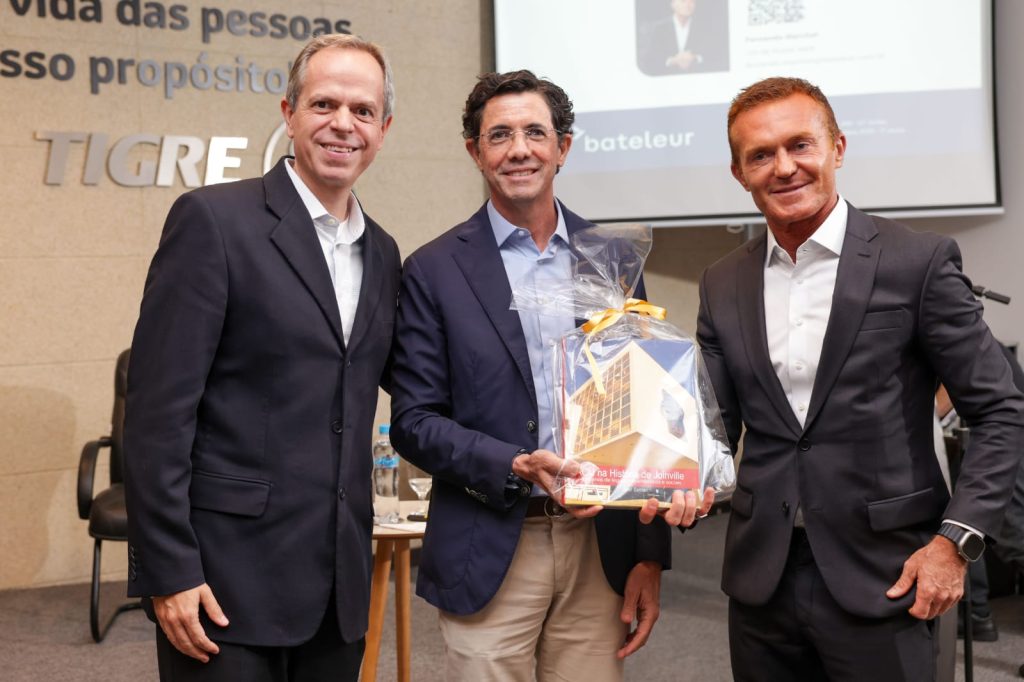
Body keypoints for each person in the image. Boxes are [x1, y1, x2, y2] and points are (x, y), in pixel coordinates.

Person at [696, 76, 1024, 681]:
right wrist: (661, 474)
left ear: (838, 148)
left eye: (800, 145)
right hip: (762, 577)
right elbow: (711, 427)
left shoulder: (916, 262)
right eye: (761, 155)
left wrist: (956, 543)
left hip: (888, 574)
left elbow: (1000, 410)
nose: (784, 167)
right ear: (739, 173)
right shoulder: (722, 281)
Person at [389, 69, 712, 681]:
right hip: (489, 541)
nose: (519, 149)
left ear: (562, 147)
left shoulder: (612, 257)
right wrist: (513, 463)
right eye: (500, 135)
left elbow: (649, 414)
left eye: (535, 133)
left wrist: (649, 558)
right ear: (475, 152)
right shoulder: (434, 269)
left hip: (601, 548)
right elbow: (414, 421)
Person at [123, 33, 400, 682]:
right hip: (224, 585)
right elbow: (158, 416)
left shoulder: (384, 252)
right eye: (324, 104)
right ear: (289, 114)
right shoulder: (213, 222)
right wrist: (169, 569)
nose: (343, 123)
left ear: (383, 130)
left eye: (363, 111)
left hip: (337, 592)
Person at [637, 0, 730, 76]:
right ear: (672, 4)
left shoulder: (704, 28)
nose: (688, 5)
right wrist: (673, 61)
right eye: (683, 1)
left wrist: (695, 58)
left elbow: (716, 56)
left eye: (692, 1)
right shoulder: (660, 29)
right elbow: (649, 61)